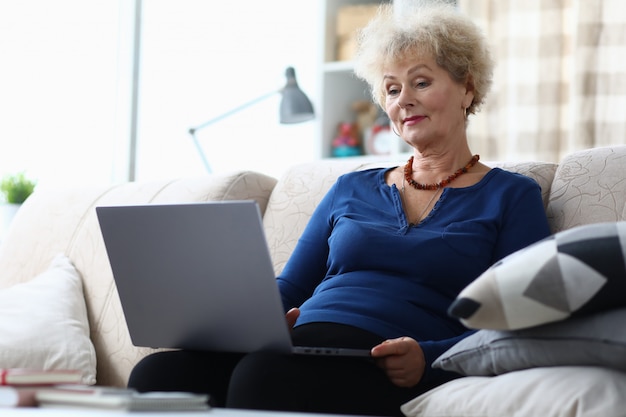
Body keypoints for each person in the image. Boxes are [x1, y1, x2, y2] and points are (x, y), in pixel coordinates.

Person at [127, 2, 551, 416]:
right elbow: (290, 288)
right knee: (158, 374)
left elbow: (519, 318)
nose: (404, 99)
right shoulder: (352, 187)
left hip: (389, 358)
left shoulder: (512, 196)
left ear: (467, 88)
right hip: (306, 343)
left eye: (421, 83)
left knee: (265, 377)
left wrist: (429, 357)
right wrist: (248, 321)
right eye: (391, 88)